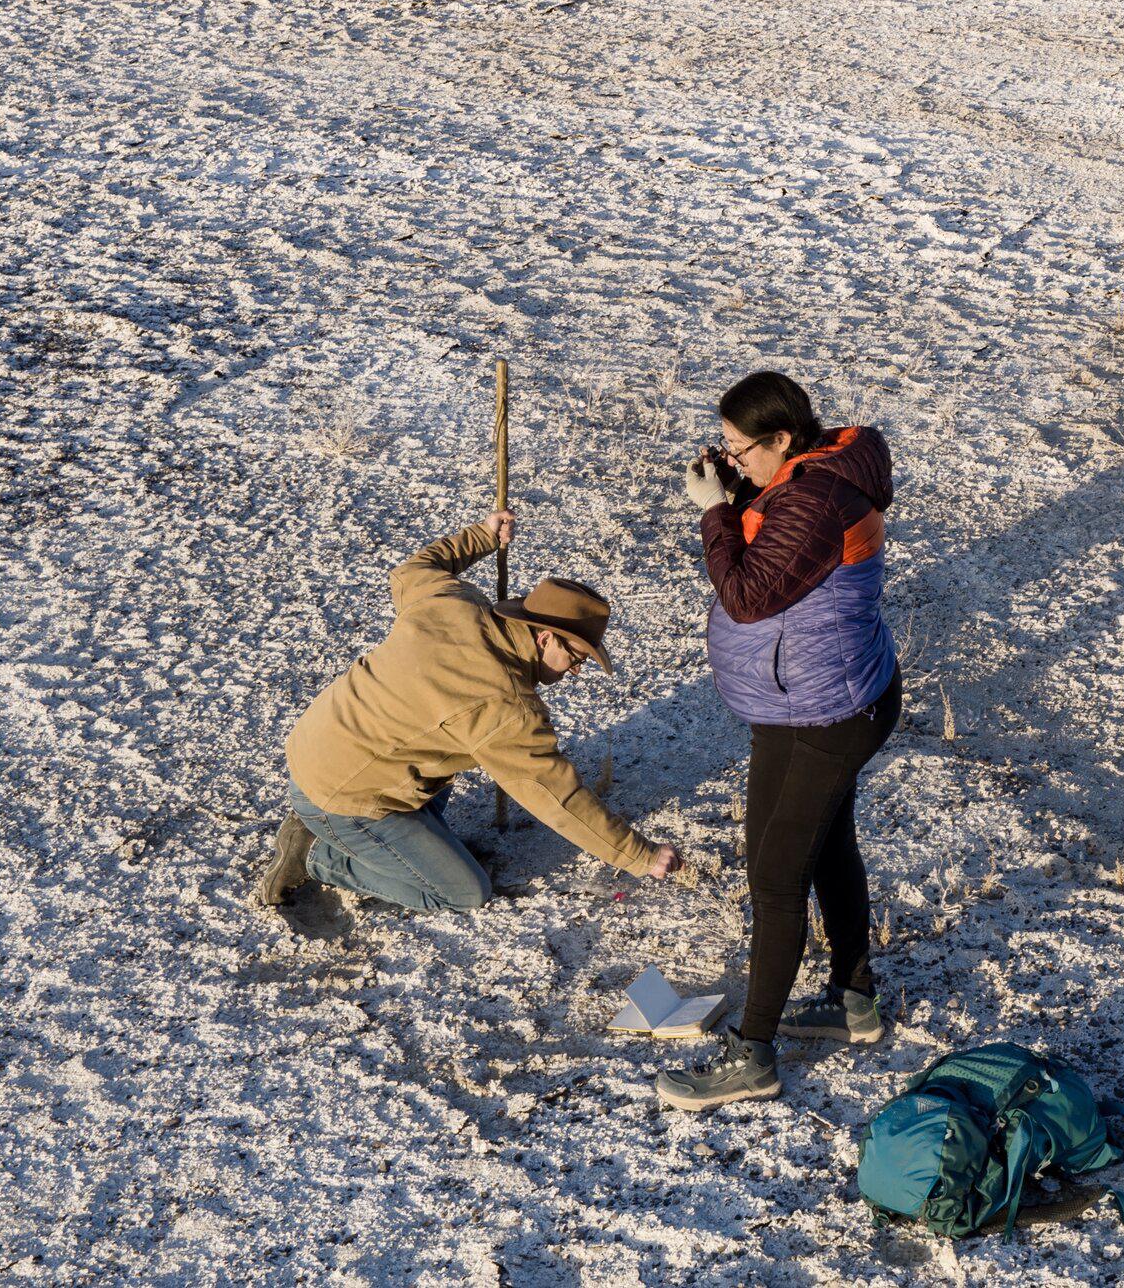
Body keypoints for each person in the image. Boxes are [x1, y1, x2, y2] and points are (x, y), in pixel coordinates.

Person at [656, 372, 900, 1112]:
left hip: (832, 714)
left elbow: (750, 594)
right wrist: (735, 495)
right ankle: (853, 1002)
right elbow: (771, 555)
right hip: (800, 703)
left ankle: (752, 1056)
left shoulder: (817, 497)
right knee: (824, 846)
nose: (735, 460)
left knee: (775, 879)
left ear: (783, 439)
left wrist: (712, 515)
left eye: (741, 449)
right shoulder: (798, 479)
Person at [256, 509, 681, 914]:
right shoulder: (504, 705)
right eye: (577, 656)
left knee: (446, 755)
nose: (577, 669)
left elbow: (412, 571)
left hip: (316, 746)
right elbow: (556, 795)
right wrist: (637, 854)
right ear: (547, 637)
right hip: (343, 797)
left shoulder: (455, 600)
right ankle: (315, 856)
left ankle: (382, 836)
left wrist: (480, 535)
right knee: (463, 891)